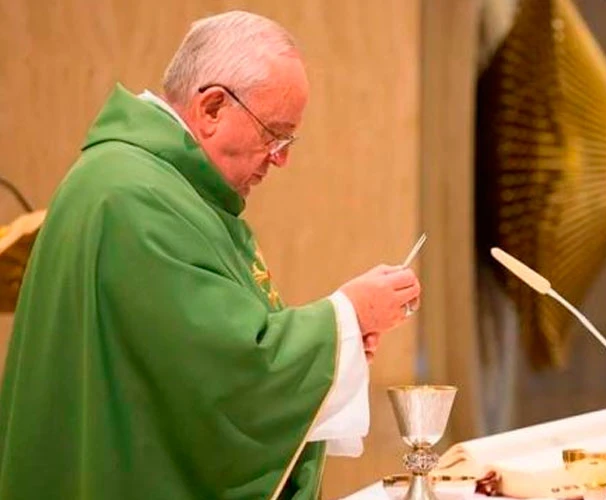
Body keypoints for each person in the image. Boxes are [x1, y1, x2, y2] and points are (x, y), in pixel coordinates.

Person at [0, 10, 420, 500]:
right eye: (275, 134)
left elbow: (203, 348)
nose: (281, 158)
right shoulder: (134, 196)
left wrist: (339, 339)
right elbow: (224, 379)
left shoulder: (152, 184)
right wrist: (345, 319)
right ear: (213, 107)